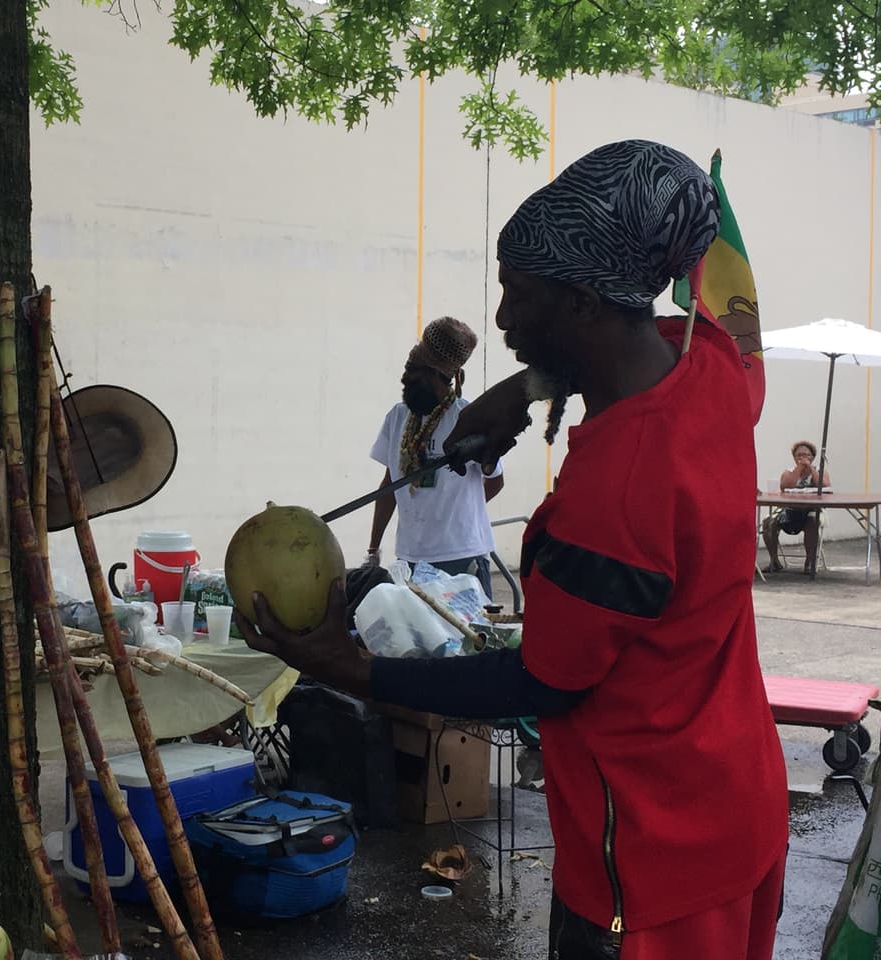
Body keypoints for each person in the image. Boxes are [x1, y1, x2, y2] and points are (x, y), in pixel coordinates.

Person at [239, 140, 788, 960]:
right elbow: (674, 340)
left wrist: (350, 668)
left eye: (517, 295)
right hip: (740, 808)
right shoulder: (717, 370)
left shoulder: (620, 488)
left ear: (582, 305)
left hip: (648, 860)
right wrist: (526, 386)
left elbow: (543, 681)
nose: (500, 320)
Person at [366, 316, 505, 598]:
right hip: (411, 558)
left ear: (434, 375)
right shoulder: (397, 417)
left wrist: (456, 512)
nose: (406, 380)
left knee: (468, 640)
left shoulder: (469, 418)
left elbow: (495, 481)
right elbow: (388, 487)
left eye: (413, 372)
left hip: (461, 557)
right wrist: (373, 549)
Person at [762, 440, 829, 574]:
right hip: (789, 510)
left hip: (812, 510)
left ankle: (810, 562)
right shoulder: (788, 472)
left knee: (812, 521)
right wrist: (799, 469)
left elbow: (825, 485)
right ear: (794, 457)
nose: (803, 458)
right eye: (799, 455)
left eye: (807, 455)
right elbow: (785, 486)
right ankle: (774, 561)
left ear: (813, 457)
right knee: (768, 522)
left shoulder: (820, 471)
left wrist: (810, 469)